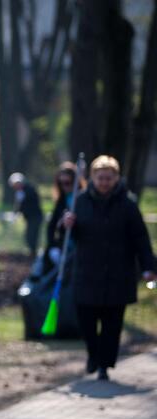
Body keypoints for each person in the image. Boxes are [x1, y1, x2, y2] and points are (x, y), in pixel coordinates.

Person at [62, 155, 155, 381]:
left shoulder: (128, 205)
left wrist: (148, 267)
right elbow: (66, 235)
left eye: (109, 178)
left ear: (116, 179)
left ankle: (104, 364)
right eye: (100, 177)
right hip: (87, 271)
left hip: (118, 273)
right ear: (92, 177)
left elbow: (140, 238)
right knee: (86, 319)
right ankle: (93, 354)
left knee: (112, 324)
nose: (104, 182)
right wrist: (67, 225)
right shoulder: (80, 202)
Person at [42, 162, 84, 273]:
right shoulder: (61, 201)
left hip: (79, 248)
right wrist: (52, 246)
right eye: (61, 183)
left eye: (67, 183)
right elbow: (51, 226)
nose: (64, 186)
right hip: (64, 246)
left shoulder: (83, 199)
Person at [8, 172, 43, 256]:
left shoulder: (29, 189)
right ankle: (32, 252)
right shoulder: (19, 192)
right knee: (28, 236)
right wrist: (15, 214)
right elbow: (18, 205)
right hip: (29, 218)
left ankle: (33, 254)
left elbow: (29, 203)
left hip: (35, 217)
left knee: (32, 236)